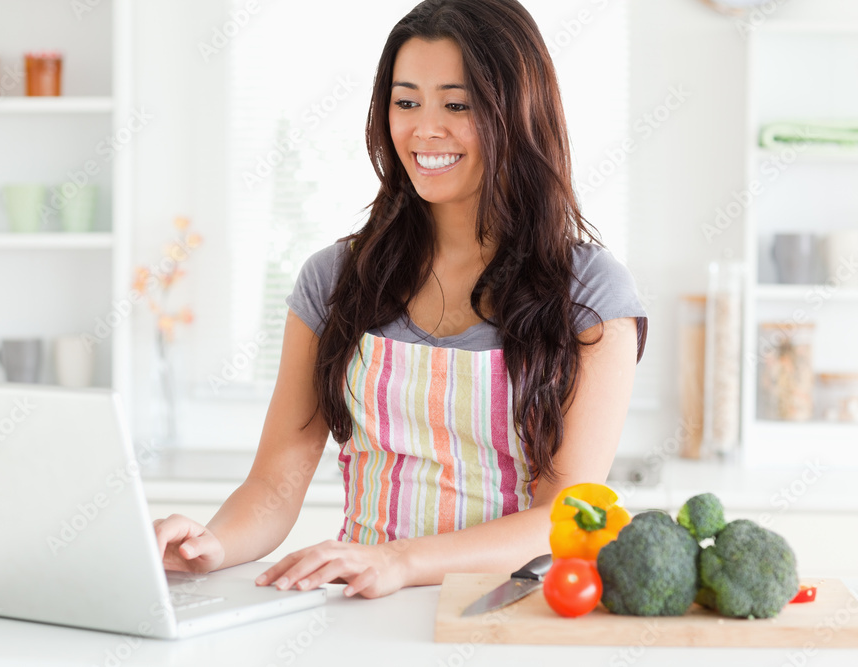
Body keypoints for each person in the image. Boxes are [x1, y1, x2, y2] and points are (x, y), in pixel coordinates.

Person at [153, 0, 647, 600]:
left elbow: (560, 516)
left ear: (517, 113)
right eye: (406, 101)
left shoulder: (589, 294)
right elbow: (275, 485)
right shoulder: (335, 279)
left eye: (457, 104)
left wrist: (398, 560)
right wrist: (211, 545)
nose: (424, 128)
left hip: (504, 610)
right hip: (359, 607)